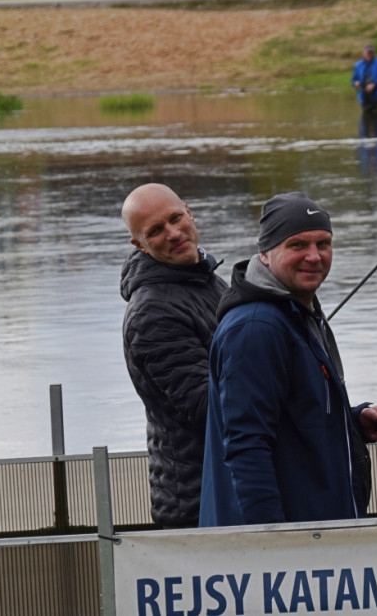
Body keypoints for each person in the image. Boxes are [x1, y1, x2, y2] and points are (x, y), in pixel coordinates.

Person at [199, 191, 377, 527]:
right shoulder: (256, 329)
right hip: (285, 553)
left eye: (323, 243)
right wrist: (276, 542)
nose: (314, 256)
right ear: (265, 253)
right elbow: (247, 447)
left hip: (315, 541)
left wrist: (351, 423)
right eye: (297, 245)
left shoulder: (297, 313)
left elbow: (292, 421)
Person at [120, 183, 227, 528]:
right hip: (200, 504)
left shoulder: (206, 280)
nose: (173, 232)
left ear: (189, 212)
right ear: (139, 245)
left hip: (232, 485)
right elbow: (207, 408)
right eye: (155, 230)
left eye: (175, 218)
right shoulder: (152, 313)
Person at [350, 43, 377, 138]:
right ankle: (367, 136)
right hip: (364, 97)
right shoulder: (358, 65)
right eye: (367, 52)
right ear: (363, 53)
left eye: (371, 52)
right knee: (366, 119)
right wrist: (356, 83)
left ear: (374, 53)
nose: (369, 54)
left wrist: (374, 84)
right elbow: (353, 80)